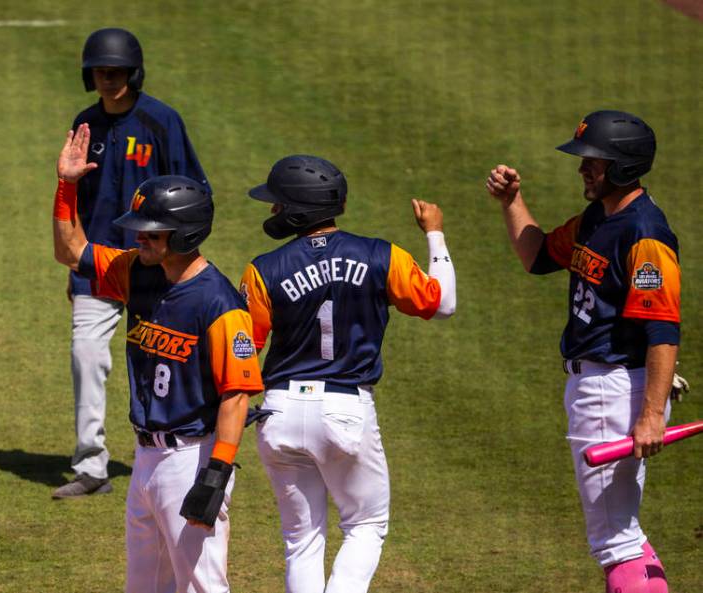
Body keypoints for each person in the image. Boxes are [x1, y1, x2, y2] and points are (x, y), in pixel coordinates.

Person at [53, 124, 262, 592]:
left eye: (152, 233)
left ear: (185, 235)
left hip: (193, 460)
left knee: (203, 586)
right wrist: (67, 184)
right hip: (145, 460)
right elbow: (70, 250)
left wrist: (216, 475)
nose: (140, 239)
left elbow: (236, 396)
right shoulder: (136, 272)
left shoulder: (219, 304)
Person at [239, 155, 456, 593]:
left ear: (299, 209)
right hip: (344, 409)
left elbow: (245, 350)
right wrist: (434, 231)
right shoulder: (382, 256)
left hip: (278, 410)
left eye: (278, 203)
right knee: (366, 524)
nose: (272, 210)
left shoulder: (262, 269)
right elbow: (442, 303)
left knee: (301, 539)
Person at [486, 110, 677, 593]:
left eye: (594, 161)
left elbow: (662, 330)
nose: (583, 169)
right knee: (624, 532)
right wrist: (513, 201)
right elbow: (537, 255)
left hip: (613, 390)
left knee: (614, 541)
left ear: (623, 167)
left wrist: (652, 414)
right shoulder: (598, 219)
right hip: (601, 387)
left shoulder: (645, 233)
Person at [53, 27, 211, 499]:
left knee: (168, 357)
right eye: (100, 71)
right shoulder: (86, 125)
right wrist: (73, 266)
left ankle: (182, 450)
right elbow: (74, 202)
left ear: (133, 72)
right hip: (98, 263)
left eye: (116, 71)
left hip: (157, 262)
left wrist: (178, 257)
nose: (108, 79)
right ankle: (91, 467)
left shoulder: (162, 122)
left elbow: (195, 192)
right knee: (86, 356)